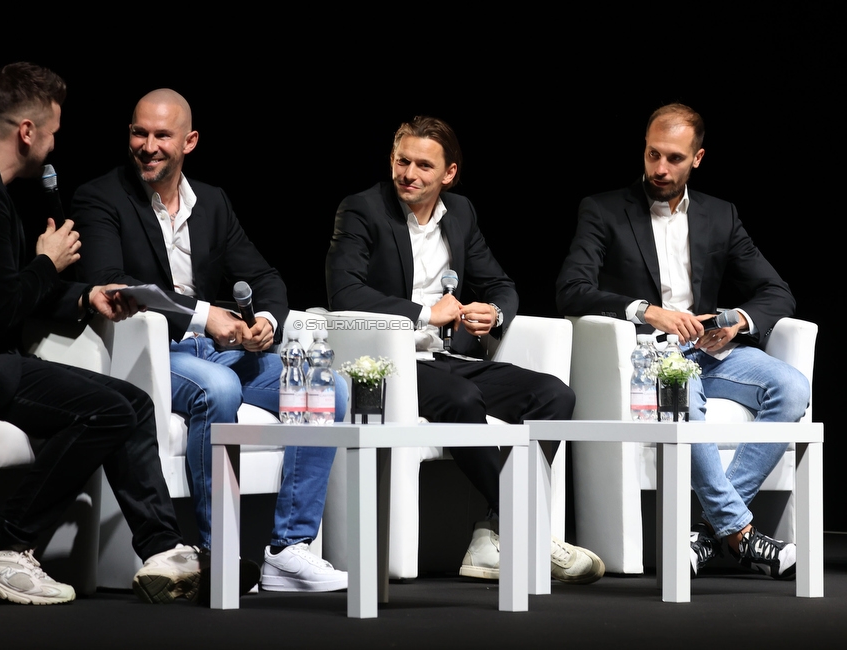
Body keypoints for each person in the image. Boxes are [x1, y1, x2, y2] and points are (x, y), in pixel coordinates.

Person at [0, 63, 213, 606]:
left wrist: (85, 296)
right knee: (107, 409)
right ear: (27, 132)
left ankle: (162, 548)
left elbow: (5, 284)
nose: (56, 143)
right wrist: (48, 261)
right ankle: (7, 543)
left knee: (128, 402)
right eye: (55, 131)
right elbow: (6, 304)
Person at [72, 89, 348, 593]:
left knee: (325, 386)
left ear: (189, 141)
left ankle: (288, 549)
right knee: (217, 388)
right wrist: (205, 317)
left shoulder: (212, 202)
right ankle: (216, 553)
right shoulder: (101, 197)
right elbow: (114, 286)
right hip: (151, 353)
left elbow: (265, 276)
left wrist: (265, 319)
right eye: (139, 132)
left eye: (162, 135)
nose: (148, 145)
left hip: (218, 350)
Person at [325, 115, 604, 585]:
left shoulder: (461, 214)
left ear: (448, 174)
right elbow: (344, 294)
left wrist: (493, 314)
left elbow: (502, 285)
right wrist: (423, 313)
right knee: (460, 399)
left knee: (555, 395)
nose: (408, 174)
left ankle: (492, 532)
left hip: (446, 360)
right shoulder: (362, 210)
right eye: (402, 161)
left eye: (422, 166)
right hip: (389, 364)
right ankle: (528, 527)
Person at [555, 103, 811, 580]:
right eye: (653, 154)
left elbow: (777, 292)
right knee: (683, 402)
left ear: (697, 158)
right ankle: (739, 533)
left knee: (793, 389)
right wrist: (645, 310)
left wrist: (737, 322)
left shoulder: (720, 215)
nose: (660, 168)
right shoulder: (604, 209)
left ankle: (708, 533)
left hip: (708, 351)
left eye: (674, 158)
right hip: (647, 354)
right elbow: (571, 289)